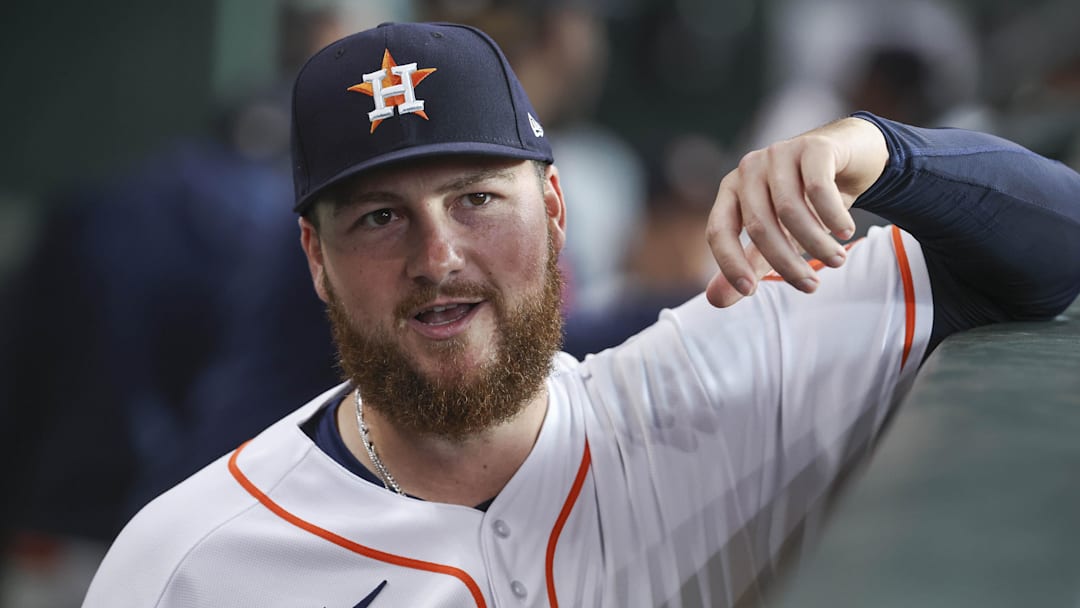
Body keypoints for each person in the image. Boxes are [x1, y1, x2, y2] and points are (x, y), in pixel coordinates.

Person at [82, 21, 1080, 608]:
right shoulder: (186, 561)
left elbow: (1051, 247)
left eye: (478, 198)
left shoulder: (709, 381)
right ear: (317, 261)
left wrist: (880, 152)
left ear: (556, 211)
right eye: (381, 218)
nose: (439, 259)